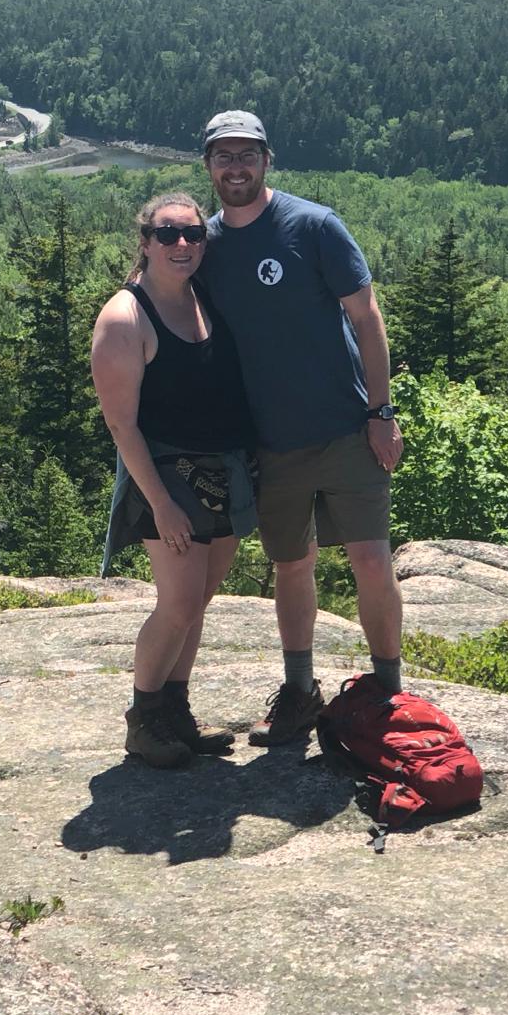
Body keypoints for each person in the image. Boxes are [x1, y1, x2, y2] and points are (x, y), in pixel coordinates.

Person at [196, 109, 406, 748]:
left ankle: (389, 692)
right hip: (270, 444)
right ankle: (299, 691)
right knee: (293, 565)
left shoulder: (313, 226)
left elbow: (367, 318)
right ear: (208, 167)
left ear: (267, 160)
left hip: (347, 426)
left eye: (246, 154)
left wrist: (381, 412)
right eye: (223, 156)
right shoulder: (203, 246)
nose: (236, 166)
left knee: (371, 558)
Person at [91, 191, 258, 769]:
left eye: (192, 234)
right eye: (167, 235)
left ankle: (176, 712)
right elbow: (121, 424)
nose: (182, 244)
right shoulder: (125, 317)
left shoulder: (206, 299)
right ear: (145, 242)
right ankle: (144, 718)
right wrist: (159, 503)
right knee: (179, 601)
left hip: (224, 469)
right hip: (166, 475)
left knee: (201, 599)